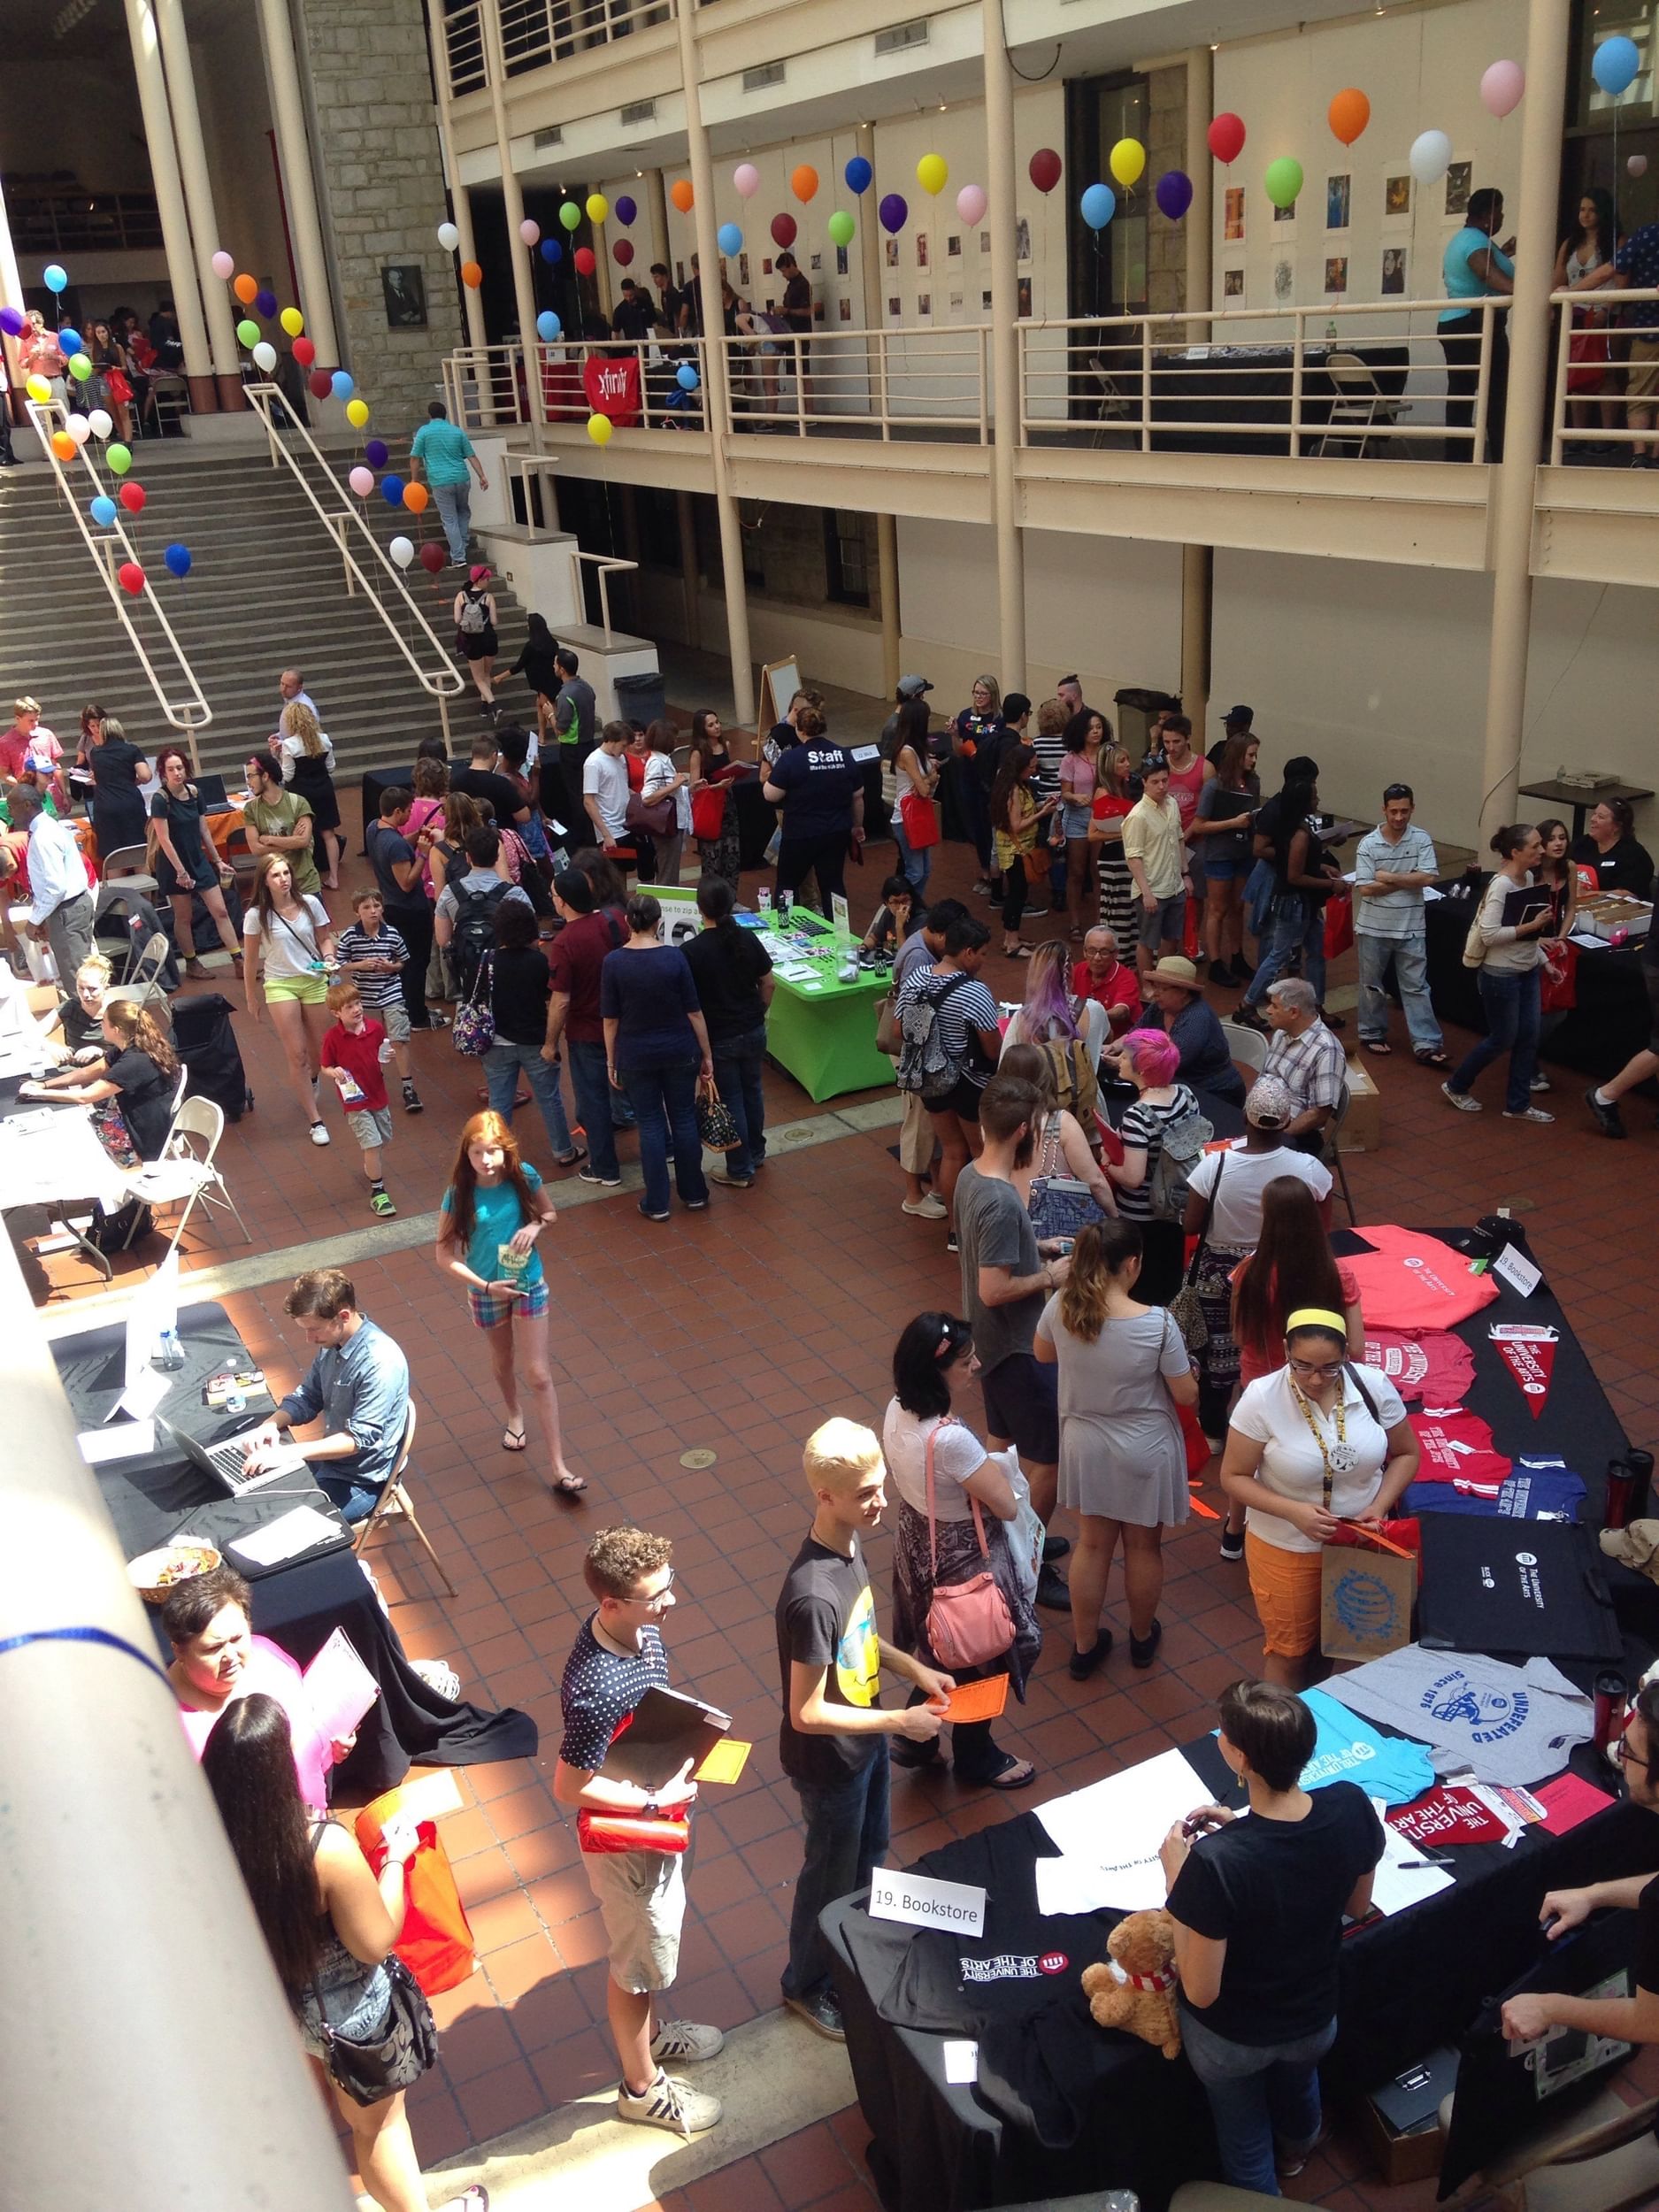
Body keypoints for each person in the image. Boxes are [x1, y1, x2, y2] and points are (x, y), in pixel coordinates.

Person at [200, 1696, 487, 2212]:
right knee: (378, 2126)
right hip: (350, 2018)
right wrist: (394, 1862)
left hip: (282, 2009)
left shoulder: (204, 1844)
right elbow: (375, 1940)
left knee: (319, 2102)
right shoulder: (322, 1849)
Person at [1159, 1679, 1385, 2196]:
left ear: (1239, 1758)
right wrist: (1241, 1831)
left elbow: (1200, 1991)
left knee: (1242, 2137)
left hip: (1232, 2040)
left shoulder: (1214, 1866)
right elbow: (1357, 1906)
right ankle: (1298, 2152)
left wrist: (1179, 1879)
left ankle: (1264, 2201)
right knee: (1300, 2086)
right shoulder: (1351, 1804)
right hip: (1313, 2017)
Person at [777, 1417, 954, 2039]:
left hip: (865, 1745)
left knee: (870, 1853)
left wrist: (912, 1668)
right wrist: (898, 1719)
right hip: (831, 1764)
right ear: (824, 1496)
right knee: (827, 1875)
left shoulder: (847, 1545)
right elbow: (806, 1712)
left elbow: (859, 1638)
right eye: (864, 1494)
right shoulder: (811, 1595)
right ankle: (805, 1983)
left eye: (880, 1487)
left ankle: (849, 1949)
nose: (879, 1503)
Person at [552, 1526, 722, 2134]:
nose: (669, 1602)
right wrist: (652, 1801)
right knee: (635, 1968)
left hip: (653, 1809)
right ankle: (641, 2087)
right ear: (611, 1605)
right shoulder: (594, 1689)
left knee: (646, 1959)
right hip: (628, 1844)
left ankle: (652, 2034)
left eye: (669, 1585)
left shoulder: (641, 1632)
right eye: (656, 1596)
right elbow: (568, 1786)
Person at [1219, 1310, 1417, 1687]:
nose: (1315, 1379)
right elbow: (1233, 1476)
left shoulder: (1373, 1385)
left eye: (1330, 1368)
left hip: (1360, 1543)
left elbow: (1407, 1454)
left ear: (1346, 1355)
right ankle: (1280, 1733)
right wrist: (1293, 1512)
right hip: (1287, 1547)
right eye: (1303, 1366)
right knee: (1288, 1653)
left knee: (1340, 1643)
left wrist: (1377, 1507)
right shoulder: (1261, 1398)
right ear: (1285, 1352)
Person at [883, 1313, 1040, 1788]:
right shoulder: (949, 1439)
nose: (975, 1366)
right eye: (966, 1360)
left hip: (918, 1541)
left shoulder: (897, 1409)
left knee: (940, 1644)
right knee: (979, 1653)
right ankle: (976, 1755)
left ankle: (917, 1738)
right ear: (939, 1370)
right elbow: (1006, 1506)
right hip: (966, 1560)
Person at [1035, 1217, 1195, 1675]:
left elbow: (1044, 1354)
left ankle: (1085, 1647)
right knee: (1143, 1549)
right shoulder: (1158, 1324)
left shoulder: (1061, 1308)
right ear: (1131, 1264)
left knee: (1092, 1547)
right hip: (1145, 1447)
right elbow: (1186, 1395)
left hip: (1086, 1444)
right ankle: (1142, 1639)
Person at [953, 1074, 1072, 1604]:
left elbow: (988, 1250)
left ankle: (992, 1539)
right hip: (1019, 1348)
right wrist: (1051, 1275)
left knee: (1000, 1449)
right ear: (1024, 1130)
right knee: (1047, 1458)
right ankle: (1029, 1556)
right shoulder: (1001, 1200)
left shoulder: (969, 1176)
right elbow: (995, 1287)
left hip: (990, 1344)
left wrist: (1033, 1245)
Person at [435, 1109, 581, 1488]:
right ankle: (514, 1415)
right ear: (466, 1155)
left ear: (506, 1150)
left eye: (493, 1151)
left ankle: (558, 1466)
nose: (485, 1160)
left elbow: (550, 1212)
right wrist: (485, 1287)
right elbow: (444, 1255)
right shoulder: (458, 1193)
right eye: (477, 1152)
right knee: (503, 1359)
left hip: (527, 1281)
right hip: (487, 1289)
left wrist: (535, 1226)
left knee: (539, 1373)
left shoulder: (523, 1176)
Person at [1185, 1077, 1334, 1446]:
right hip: (1287, 1269)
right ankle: (1280, 1427)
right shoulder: (1309, 1169)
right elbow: (1323, 1228)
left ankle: (1216, 1430)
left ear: (1246, 1120)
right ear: (1285, 1123)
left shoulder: (1214, 1166)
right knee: (1280, 1345)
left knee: (1218, 1351)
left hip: (1217, 1273)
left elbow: (1189, 1224)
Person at [242, 1269, 411, 1524]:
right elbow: (309, 1396)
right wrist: (272, 1424)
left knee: (280, 1524)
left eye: (314, 1329)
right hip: (332, 1465)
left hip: (363, 1481)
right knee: (254, 1498)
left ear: (343, 1316)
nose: (309, 1339)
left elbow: (357, 1441)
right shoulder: (333, 1343)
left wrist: (291, 1453)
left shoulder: (380, 1363)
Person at [160, 1566, 339, 1808]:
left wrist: (331, 1747)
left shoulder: (267, 1654)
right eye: (213, 1649)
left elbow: (305, 1739)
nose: (230, 1656)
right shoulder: (166, 1726)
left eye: (237, 1639)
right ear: (179, 1650)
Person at [601, 890, 714, 1222]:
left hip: (636, 1054)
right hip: (680, 1050)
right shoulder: (675, 957)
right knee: (683, 1118)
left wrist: (611, 1060)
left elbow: (610, 1020)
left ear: (627, 922)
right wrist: (706, 1054)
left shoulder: (613, 963)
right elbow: (694, 1012)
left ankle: (658, 1201)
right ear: (658, 922)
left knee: (649, 1124)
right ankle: (694, 1193)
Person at [1441, 824, 1556, 1124]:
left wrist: (1545, 962)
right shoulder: (1502, 886)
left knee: (1528, 1037)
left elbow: (1527, 936)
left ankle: (1518, 1105)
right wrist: (1533, 926)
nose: (1542, 850)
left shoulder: (1529, 877)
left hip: (1527, 970)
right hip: (1501, 975)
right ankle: (1457, 1085)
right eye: (1535, 846)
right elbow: (1490, 934)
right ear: (1516, 852)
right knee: (1503, 1037)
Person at [895, 910, 1002, 1228]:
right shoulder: (976, 991)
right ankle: (979, 1224)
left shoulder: (916, 980)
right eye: (982, 954)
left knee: (953, 1152)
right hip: (968, 1083)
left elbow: (902, 1030)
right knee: (980, 1151)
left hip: (928, 1079)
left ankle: (955, 1230)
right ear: (968, 952)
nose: (983, 961)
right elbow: (992, 1048)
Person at [681, 874, 773, 1187]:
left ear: (699, 909)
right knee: (753, 1092)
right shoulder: (746, 938)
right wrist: (760, 1011)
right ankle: (756, 1154)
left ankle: (740, 1168)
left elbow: (690, 1004)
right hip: (752, 1028)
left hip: (719, 1036)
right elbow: (769, 982)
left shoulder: (691, 951)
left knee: (731, 1098)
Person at [243, 854, 337, 1146]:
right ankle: (315, 1120)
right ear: (265, 881)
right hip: (280, 985)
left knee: (320, 1048)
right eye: (276, 875)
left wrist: (330, 957)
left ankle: (311, 1079)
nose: (283, 879)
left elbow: (324, 938)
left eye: (286, 873)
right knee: (296, 1053)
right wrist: (251, 996)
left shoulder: (311, 904)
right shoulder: (257, 915)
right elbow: (249, 959)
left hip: (313, 980)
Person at [1353, 782, 1447, 1066]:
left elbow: (1429, 877)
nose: (1399, 817)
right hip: (1373, 928)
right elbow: (1366, 888)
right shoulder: (1368, 844)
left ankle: (1426, 1042)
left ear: (1412, 809)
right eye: (1393, 811)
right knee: (1372, 985)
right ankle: (1371, 1032)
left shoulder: (1421, 839)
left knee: (1417, 986)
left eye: (1404, 811)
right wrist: (1409, 878)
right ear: (1384, 810)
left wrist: (1388, 877)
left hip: (1412, 927)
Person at [481, 895, 580, 1164]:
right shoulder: (538, 962)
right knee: (550, 1099)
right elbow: (551, 1000)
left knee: (499, 1103)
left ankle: (496, 1157)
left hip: (496, 1042)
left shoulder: (488, 961)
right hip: (535, 1041)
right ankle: (563, 1151)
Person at [1240, 758, 1340, 1022]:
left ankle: (1317, 1006)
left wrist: (1321, 867)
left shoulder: (1299, 827)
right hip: (1293, 902)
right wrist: (1330, 883)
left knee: (1316, 951)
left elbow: (1300, 863)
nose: (1318, 799)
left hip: (1304, 901)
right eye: (1314, 794)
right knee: (1278, 953)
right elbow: (1294, 875)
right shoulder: (1298, 834)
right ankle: (1247, 1005)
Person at [545, 868, 624, 1187]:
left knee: (594, 1103)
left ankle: (605, 1168)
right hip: (625, 1025)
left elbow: (560, 1000)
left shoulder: (565, 943)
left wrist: (550, 1043)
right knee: (642, 1093)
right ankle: (668, 1148)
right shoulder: (616, 919)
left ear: (563, 903)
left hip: (587, 1033)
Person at [27, 998, 178, 1159]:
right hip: (135, 1114)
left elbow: (85, 1097)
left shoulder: (134, 1062)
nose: (101, 1025)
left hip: (145, 1130)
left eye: (104, 1022)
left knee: (76, 1141)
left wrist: (38, 1094)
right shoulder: (126, 1048)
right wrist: (44, 1085)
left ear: (117, 1030)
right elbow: (88, 1072)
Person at [890, 896, 962, 1219]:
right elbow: (913, 1024)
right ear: (944, 935)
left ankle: (934, 1187)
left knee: (928, 1127)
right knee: (917, 1126)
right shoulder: (921, 959)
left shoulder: (921, 941)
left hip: (918, 1052)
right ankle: (912, 1195)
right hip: (916, 1056)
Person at [148, 743, 244, 979]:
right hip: (173, 865)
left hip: (198, 860)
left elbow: (204, 829)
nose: (176, 773)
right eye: (171, 769)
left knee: (220, 910)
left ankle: (239, 960)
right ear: (163, 773)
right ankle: (191, 963)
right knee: (184, 917)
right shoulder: (161, 800)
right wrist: (181, 872)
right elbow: (164, 839)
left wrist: (217, 860)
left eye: (179, 767)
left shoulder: (195, 793)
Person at [764, 707, 864, 915]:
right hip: (836, 832)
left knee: (787, 884)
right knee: (833, 885)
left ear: (799, 730)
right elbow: (858, 796)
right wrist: (857, 827)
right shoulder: (843, 755)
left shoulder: (792, 759)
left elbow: (770, 795)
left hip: (800, 834)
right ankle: (840, 932)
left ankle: (784, 929)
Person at [1000, 1041, 1116, 1217]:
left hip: (1010, 1217)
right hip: (1056, 1226)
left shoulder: (992, 1124)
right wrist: (1115, 1218)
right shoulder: (1062, 1123)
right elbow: (1096, 1182)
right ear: (1044, 1076)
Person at [1440, 186, 1513, 461]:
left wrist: (1504, 253)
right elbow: (1486, 273)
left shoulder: (1464, 238)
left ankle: (1457, 456)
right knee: (1495, 392)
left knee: (1461, 391)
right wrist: (1523, 289)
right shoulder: (1475, 242)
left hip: (1457, 320)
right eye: (1500, 211)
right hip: (1475, 323)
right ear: (1488, 214)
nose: (1503, 216)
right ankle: (1501, 456)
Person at [335, 889, 420, 1115]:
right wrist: (360, 965)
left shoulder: (391, 934)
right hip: (364, 998)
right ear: (357, 912)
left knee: (399, 1039)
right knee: (367, 1042)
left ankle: (408, 1087)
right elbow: (340, 963)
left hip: (391, 992)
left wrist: (391, 967)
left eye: (376, 906)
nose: (373, 911)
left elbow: (403, 959)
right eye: (366, 907)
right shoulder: (350, 936)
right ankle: (374, 1082)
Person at [365, 789, 441, 1034]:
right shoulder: (395, 845)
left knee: (407, 961)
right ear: (397, 811)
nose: (410, 814)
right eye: (408, 811)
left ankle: (412, 1008)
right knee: (417, 963)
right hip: (410, 910)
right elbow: (406, 882)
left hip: (392, 905)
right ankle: (417, 1016)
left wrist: (415, 837)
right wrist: (423, 854)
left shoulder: (374, 828)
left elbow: (397, 844)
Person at [319, 983, 398, 1216]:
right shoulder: (333, 1037)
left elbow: (381, 1056)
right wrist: (333, 1072)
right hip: (354, 1100)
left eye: (358, 1003)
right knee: (372, 1144)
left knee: (383, 1138)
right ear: (337, 1013)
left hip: (377, 1094)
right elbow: (325, 1066)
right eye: (349, 1007)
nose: (356, 1009)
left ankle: (370, 1166)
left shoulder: (375, 1029)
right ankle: (378, 1192)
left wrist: (387, 1056)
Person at [434, 824, 533, 1007]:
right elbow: (531, 939)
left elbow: (442, 940)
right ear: (497, 857)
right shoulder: (514, 894)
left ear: (468, 857)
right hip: (507, 972)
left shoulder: (450, 893)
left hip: (469, 973)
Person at [1192, 729, 1260, 986]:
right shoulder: (1214, 786)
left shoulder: (1253, 782)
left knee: (1238, 907)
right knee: (1217, 909)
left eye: (1255, 755)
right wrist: (1233, 822)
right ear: (1238, 755)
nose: (1254, 760)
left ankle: (1237, 955)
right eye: (1250, 755)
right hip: (1220, 854)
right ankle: (1216, 961)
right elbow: (1199, 825)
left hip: (1244, 852)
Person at [1555, 188, 1620, 442]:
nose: (1586, 215)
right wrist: (1551, 307)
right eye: (1582, 209)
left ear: (1603, 212)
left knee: (1605, 373)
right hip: (1576, 314)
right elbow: (1558, 278)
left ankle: (1606, 437)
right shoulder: (1569, 243)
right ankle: (1578, 435)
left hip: (1604, 313)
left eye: (1592, 210)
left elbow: (1621, 280)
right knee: (1576, 374)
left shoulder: (1615, 241)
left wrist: (1608, 308)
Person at [12, 785, 94, 988]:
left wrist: (34, 920)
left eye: (12, 808)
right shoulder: (49, 827)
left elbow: (55, 887)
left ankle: (87, 1020)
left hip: (67, 911)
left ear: (27, 805)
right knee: (79, 973)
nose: (10, 814)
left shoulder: (43, 837)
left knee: (77, 980)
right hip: (69, 908)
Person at [1140, 954, 1246, 1108]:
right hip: (1177, 1089)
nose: (1155, 993)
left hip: (1215, 1094)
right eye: (1155, 986)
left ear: (1183, 992)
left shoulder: (1197, 1017)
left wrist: (1129, 1061)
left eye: (1162, 988)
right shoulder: (1159, 1007)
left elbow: (1169, 1063)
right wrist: (1113, 1048)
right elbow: (1133, 1035)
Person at [1123, 754, 1191, 979]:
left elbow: (1179, 838)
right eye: (1155, 782)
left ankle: (1165, 979)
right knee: (1147, 941)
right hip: (1152, 889)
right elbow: (1134, 858)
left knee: (1171, 938)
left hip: (1174, 885)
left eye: (1164, 780)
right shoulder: (1138, 816)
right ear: (1144, 782)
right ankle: (1148, 983)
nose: (1161, 786)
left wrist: (1185, 874)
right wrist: (1147, 892)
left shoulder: (1172, 804)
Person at [989, 741, 1057, 960]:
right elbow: (1017, 825)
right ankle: (1011, 942)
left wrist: (1040, 806)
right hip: (1014, 851)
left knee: (1019, 892)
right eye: (1031, 766)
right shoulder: (1014, 791)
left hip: (1021, 848)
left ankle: (1013, 937)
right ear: (1020, 766)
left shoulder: (1020, 785)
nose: (1034, 770)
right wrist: (1042, 813)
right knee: (1017, 895)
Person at [1002, 936, 1110, 1071]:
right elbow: (1107, 1038)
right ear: (1070, 970)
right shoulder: (1095, 1010)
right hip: (1088, 1091)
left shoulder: (1022, 1018)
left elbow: (1004, 1067)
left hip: (1039, 1092)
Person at [1262, 978, 1346, 1151]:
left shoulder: (1327, 1050)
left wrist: (1278, 1138)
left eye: (1275, 1006)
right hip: (1262, 1123)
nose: (1268, 1011)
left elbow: (1319, 1114)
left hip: (1294, 1136)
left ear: (1294, 1012)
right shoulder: (1280, 1034)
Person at [273, 702, 342, 891]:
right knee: (328, 834)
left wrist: (277, 756)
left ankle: (303, 879)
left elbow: (287, 776)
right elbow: (331, 767)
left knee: (302, 835)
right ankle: (334, 877)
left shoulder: (289, 745)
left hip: (300, 794)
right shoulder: (324, 740)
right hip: (324, 790)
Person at [410, 399, 488, 568]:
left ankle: (459, 557)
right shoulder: (457, 431)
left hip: (440, 481)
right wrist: (482, 476)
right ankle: (463, 543)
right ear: (445, 415)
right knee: (463, 512)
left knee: (449, 519)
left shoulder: (423, 432)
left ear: (429, 415)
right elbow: (471, 456)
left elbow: (415, 458)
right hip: (462, 478)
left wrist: (414, 480)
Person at [243, 748, 322, 900]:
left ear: (265, 776)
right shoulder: (251, 809)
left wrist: (270, 840)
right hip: (275, 888)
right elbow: (256, 849)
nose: (248, 782)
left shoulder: (298, 802)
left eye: (251, 776)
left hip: (306, 884)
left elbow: (303, 840)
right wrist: (292, 841)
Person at [1613, 209, 1659, 465]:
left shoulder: (1647, 234)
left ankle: (1640, 456)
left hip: (1646, 325)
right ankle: (1652, 456)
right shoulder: (1648, 235)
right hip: (1646, 326)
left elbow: (1615, 268)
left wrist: (1569, 292)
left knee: (1640, 393)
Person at [953, 673, 1004, 892]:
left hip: (991, 781)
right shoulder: (965, 717)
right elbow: (957, 751)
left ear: (993, 695)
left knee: (992, 826)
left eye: (983, 693)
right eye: (976, 693)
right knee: (977, 827)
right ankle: (984, 870)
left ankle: (997, 873)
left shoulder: (1000, 719)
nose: (979, 697)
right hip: (970, 779)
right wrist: (955, 734)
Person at [1058, 710, 1107, 941]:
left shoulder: (1108, 755)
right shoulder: (1071, 759)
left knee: (1098, 871)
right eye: (1091, 728)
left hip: (1102, 817)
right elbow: (1065, 793)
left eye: (1099, 727)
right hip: (1079, 817)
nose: (1096, 732)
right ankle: (1075, 922)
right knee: (1076, 871)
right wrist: (1077, 798)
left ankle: (1100, 921)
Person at [886, 697, 939, 900]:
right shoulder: (908, 752)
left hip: (917, 814)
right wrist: (931, 776)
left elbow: (924, 784)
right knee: (915, 871)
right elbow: (924, 788)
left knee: (925, 870)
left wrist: (928, 779)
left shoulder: (918, 748)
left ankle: (915, 906)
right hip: (906, 817)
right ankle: (901, 904)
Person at [85, 713, 151, 858]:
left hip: (105, 808)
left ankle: (116, 881)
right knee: (139, 853)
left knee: (113, 856)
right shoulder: (132, 750)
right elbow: (145, 776)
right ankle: (145, 881)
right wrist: (132, 781)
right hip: (130, 804)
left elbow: (101, 776)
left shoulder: (95, 753)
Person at [550, 649, 598, 835]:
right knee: (590, 792)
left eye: (555, 664)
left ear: (561, 669)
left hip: (572, 750)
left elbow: (561, 729)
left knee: (576, 794)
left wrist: (550, 715)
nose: (553, 667)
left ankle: (583, 836)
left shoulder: (565, 695)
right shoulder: (587, 687)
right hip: (589, 745)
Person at [639, 719, 691, 888]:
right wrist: (676, 784)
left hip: (673, 822)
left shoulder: (663, 760)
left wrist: (688, 788)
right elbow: (647, 797)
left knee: (670, 870)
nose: (676, 741)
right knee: (668, 874)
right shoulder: (656, 763)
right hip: (666, 825)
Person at [1572, 796, 1655, 897]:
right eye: (1594, 814)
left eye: (1600, 817)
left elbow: (1629, 893)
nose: (1593, 819)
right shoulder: (1584, 843)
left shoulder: (1634, 855)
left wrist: (1588, 894)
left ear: (1616, 826)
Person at [1071, 924, 1141, 1037]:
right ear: (1084, 951)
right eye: (1092, 951)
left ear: (1116, 954)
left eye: (1104, 952)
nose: (1097, 958)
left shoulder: (1126, 977)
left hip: (1117, 1042)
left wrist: (1089, 1017)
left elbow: (1121, 1012)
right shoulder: (1077, 970)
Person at [582, 718, 634, 856]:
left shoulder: (620, 758)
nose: (625, 750)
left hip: (626, 824)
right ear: (611, 740)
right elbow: (588, 801)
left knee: (626, 867)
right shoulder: (594, 763)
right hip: (611, 829)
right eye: (623, 746)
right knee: (614, 873)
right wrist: (606, 835)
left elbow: (621, 786)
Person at [511, 611, 563, 744]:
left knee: (547, 709)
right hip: (552, 679)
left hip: (541, 682)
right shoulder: (552, 643)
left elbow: (519, 665)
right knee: (541, 705)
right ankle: (542, 735)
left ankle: (558, 735)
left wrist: (499, 677)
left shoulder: (531, 646)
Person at [453, 565, 500, 712]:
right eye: (486, 578)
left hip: (471, 641)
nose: (488, 581)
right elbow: (494, 621)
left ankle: (492, 704)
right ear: (479, 580)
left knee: (478, 678)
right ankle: (485, 706)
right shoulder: (488, 597)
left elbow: (457, 619)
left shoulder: (461, 596)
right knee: (486, 674)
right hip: (489, 638)